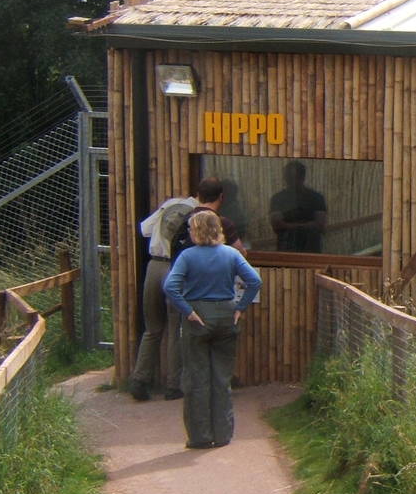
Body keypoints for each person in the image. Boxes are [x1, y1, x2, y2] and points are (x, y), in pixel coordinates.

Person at [164, 209, 260, 449]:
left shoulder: (187, 256)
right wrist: (240, 307)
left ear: (196, 231)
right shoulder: (230, 254)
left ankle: (200, 436)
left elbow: (171, 287)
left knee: (196, 377)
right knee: (221, 378)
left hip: (198, 317)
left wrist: (188, 311)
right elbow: (254, 281)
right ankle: (223, 434)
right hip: (227, 316)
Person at [130, 191, 197, 402]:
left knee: (153, 327)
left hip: (154, 265)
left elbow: (145, 230)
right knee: (175, 327)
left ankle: (140, 379)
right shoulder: (196, 213)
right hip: (175, 268)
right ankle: (173, 386)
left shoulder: (169, 205)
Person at [269, 161, 327, 252]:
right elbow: (276, 225)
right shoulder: (278, 198)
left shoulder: (316, 197)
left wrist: (290, 226)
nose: (292, 181)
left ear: (302, 177)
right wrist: (306, 225)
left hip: (311, 247)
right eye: (290, 178)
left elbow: (320, 224)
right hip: (286, 248)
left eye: (295, 177)